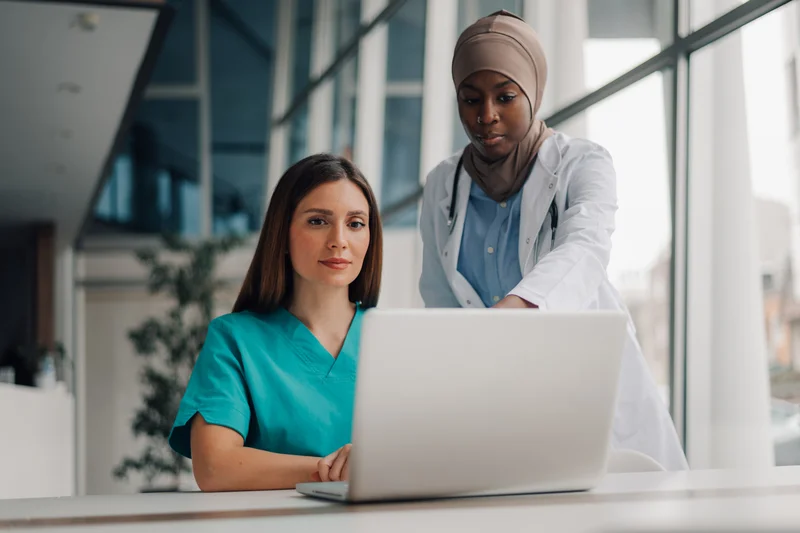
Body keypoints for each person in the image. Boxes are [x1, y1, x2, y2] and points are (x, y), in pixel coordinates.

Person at [418, 10, 688, 471]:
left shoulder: (584, 164)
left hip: (586, 387)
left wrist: (517, 309)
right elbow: (441, 299)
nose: (486, 116)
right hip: (494, 399)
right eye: (470, 99)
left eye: (505, 96)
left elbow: (585, 249)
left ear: (534, 92)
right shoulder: (443, 184)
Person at [168, 154, 382, 490]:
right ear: (282, 235)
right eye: (318, 221)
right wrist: (337, 470)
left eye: (355, 223)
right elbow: (214, 466)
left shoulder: (396, 338)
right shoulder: (234, 340)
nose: (339, 239)